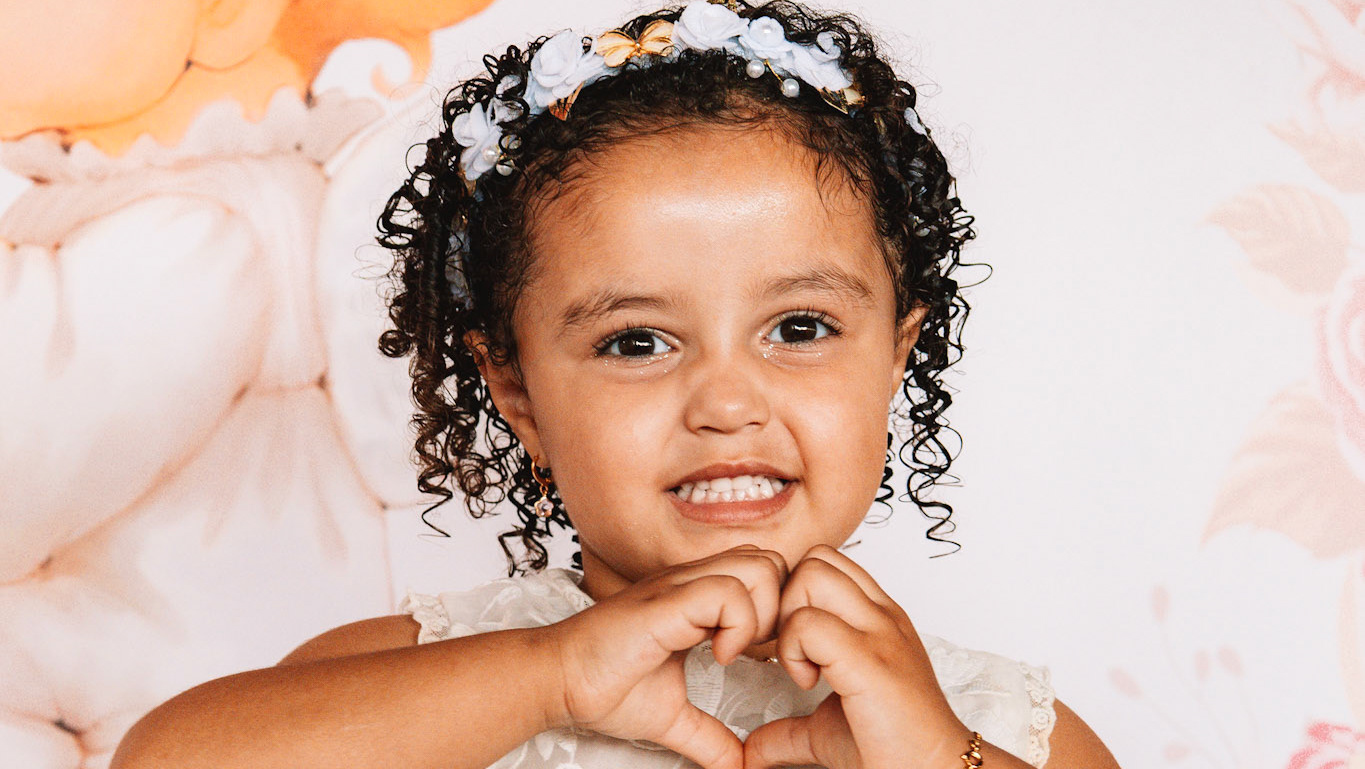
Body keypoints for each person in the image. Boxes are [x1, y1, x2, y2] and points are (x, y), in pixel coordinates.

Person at [111, 1, 1122, 767]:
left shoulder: (995, 727)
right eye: (637, 342)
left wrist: (941, 757)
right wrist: (551, 676)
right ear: (517, 395)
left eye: (799, 328)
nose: (726, 404)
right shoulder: (424, 682)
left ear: (896, 356)